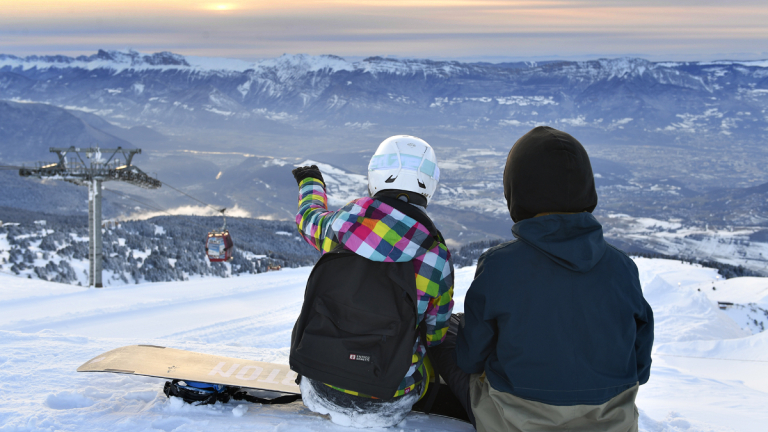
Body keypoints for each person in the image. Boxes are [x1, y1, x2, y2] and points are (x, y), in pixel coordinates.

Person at [428, 126, 654, 431]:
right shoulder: (623, 267)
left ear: (516, 191)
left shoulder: (499, 266)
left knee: (448, 330)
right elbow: (640, 367)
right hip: (612, 422)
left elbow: (470, 360)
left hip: (515, 421)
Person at [290, 135, 454, 428]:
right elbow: (435, 334)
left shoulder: (343, 226)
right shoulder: (434, 256)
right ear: (429, 184)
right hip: (388, 399)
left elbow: (308, 219)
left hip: (318, 386)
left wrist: (310, 181)